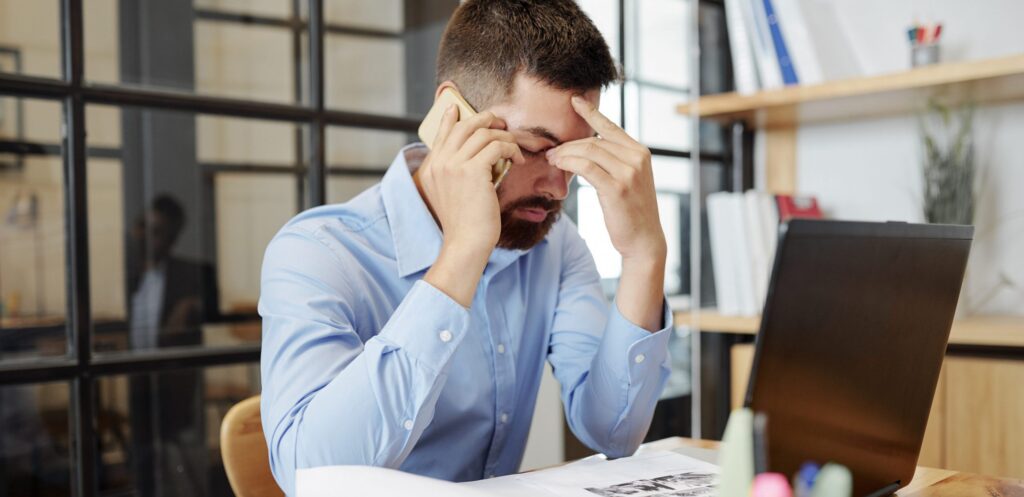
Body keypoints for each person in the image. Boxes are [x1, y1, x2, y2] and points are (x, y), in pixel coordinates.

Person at [260, 1, 672, 494]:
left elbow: (613, 432)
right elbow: (310, 476)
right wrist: (461, 254)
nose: (559, 188)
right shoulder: (317, 254)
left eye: (574, 155)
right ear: (451, 116)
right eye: (534, 149)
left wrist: (644, 256)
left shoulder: (555, 244)